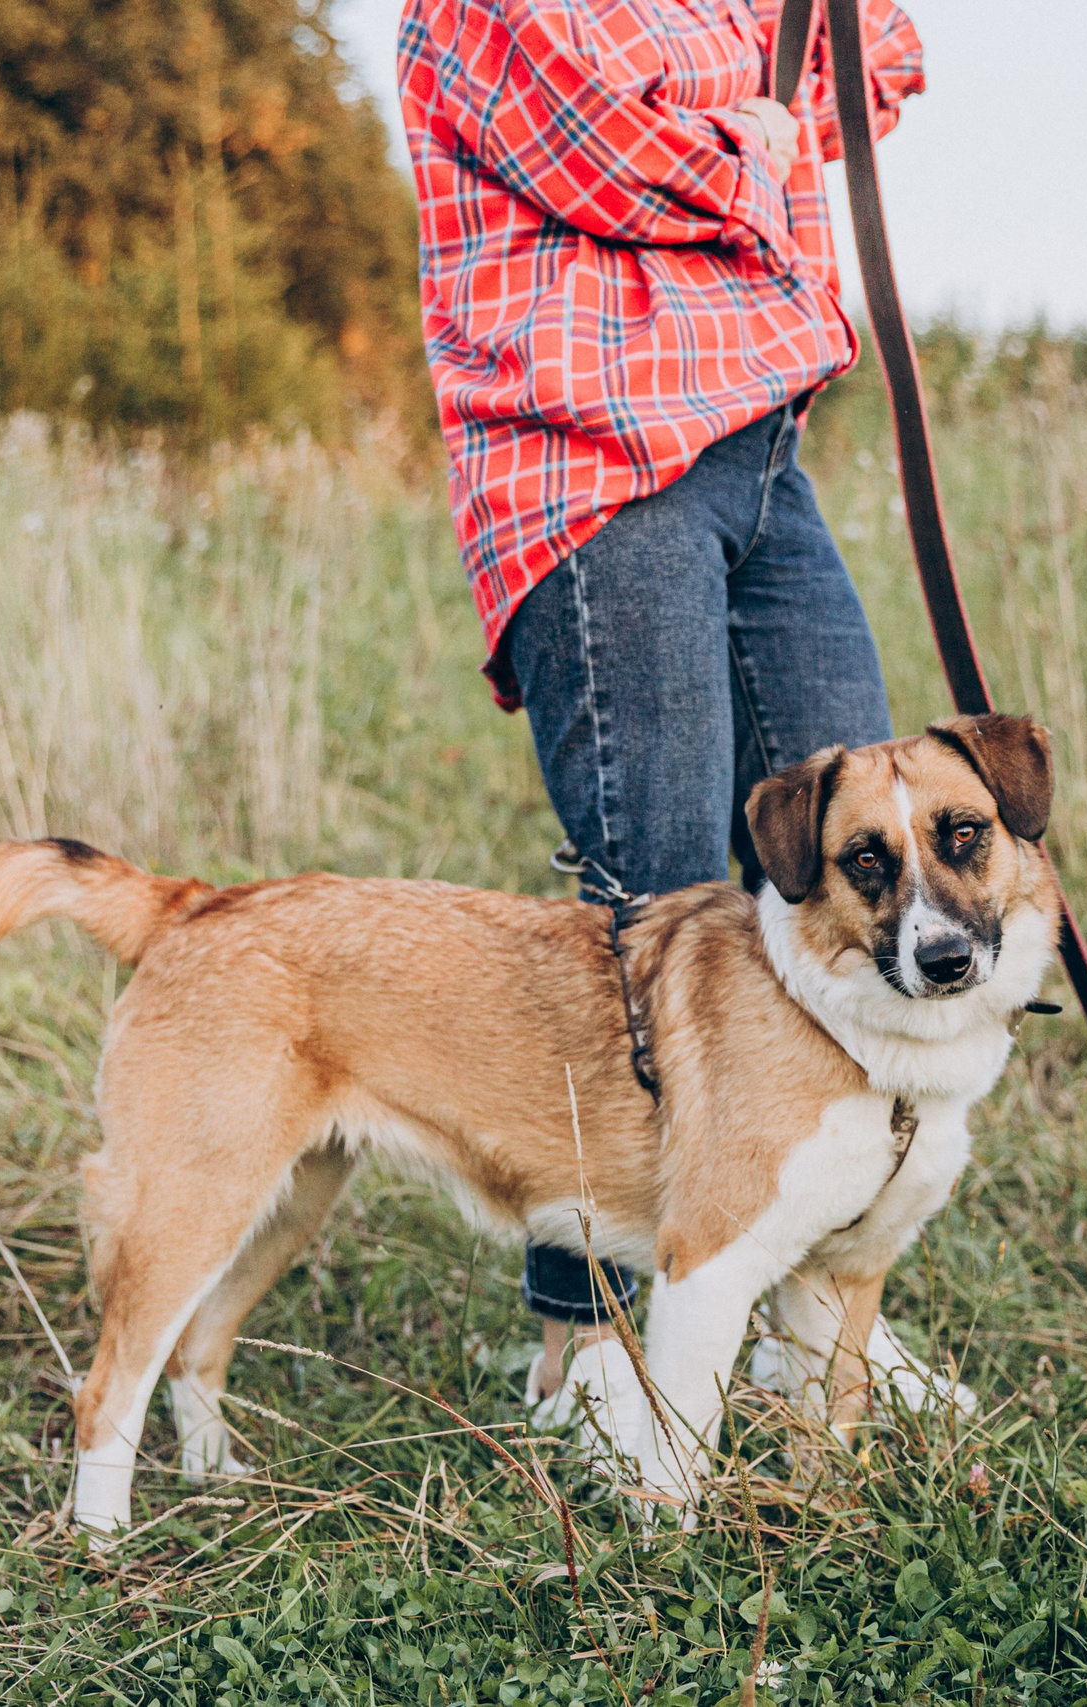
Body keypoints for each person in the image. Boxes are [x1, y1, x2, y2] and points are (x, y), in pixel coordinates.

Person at [396, 0, 924, 1406]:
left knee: (849, 866)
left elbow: (880, 59)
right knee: (651, 909)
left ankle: (814, 1324)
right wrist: (759, 138)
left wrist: (756, 123)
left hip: (760, 451)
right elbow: (615, 159)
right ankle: (586, 1342)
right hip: (594, 463)